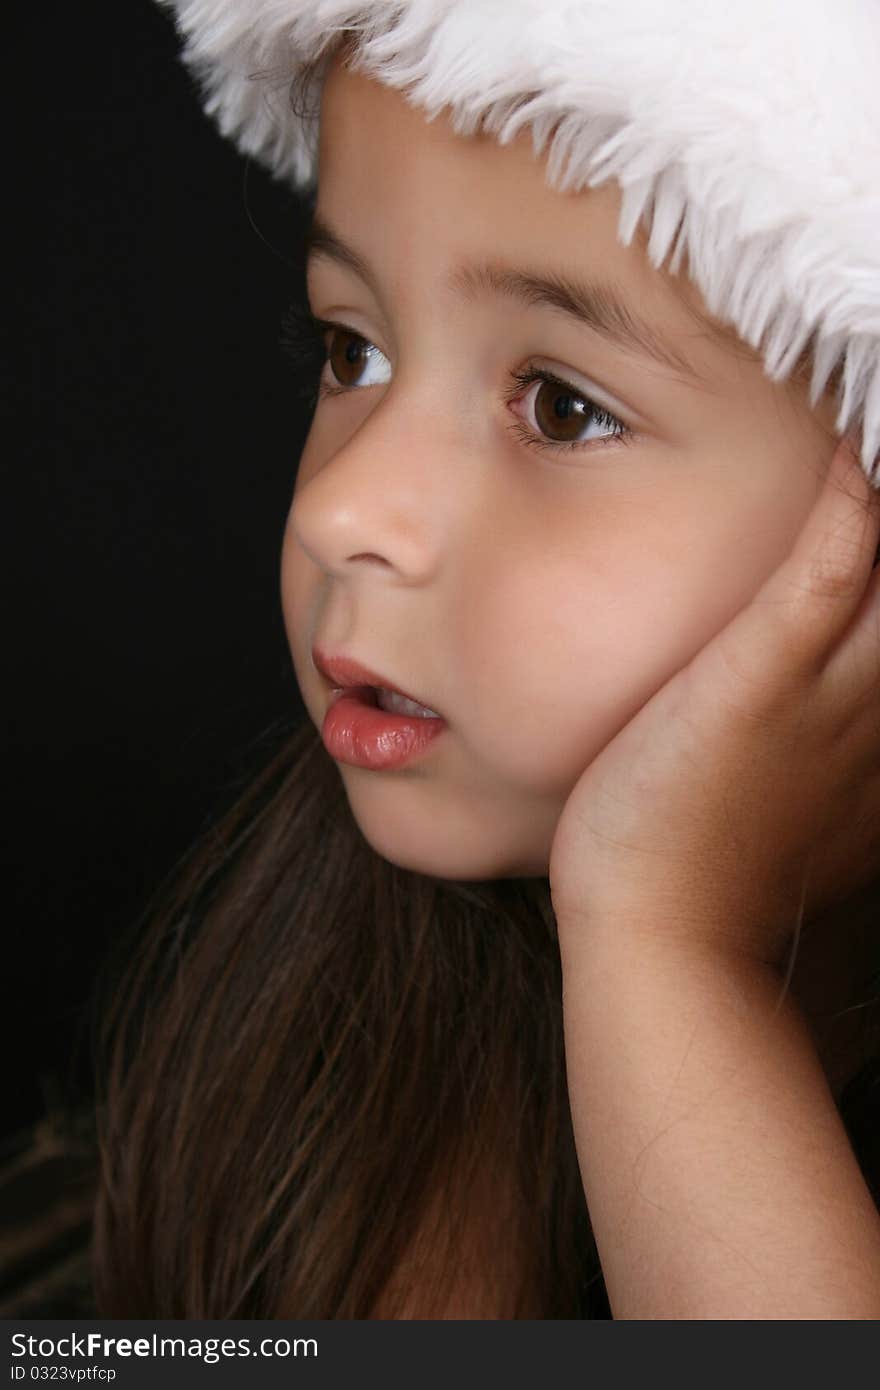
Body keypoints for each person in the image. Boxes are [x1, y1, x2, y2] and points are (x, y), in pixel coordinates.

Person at [92, 0, 880, 1317]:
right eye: (356, 349)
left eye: (564, 407)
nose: (343, 512)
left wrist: (665, 948)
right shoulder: (329, 1031)